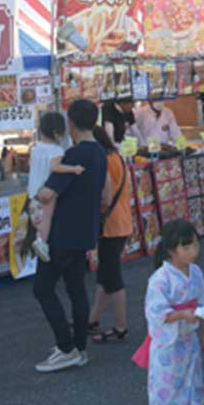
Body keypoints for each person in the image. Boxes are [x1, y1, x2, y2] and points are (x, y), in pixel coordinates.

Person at [31, 99, 107, 373]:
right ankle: (78, 347)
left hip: (62, 234)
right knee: (76, 289)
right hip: (85, 231)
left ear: (71, 123)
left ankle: (66, 347)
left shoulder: (74, 156)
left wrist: (38, 191)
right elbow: (105, 194)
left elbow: (48, 193)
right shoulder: (99, 152)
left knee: (43, 288)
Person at [142, 218, 204, 405]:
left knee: (193, 385)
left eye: (195, 245)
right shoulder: (160, 279)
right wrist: (182, 313)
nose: (193, 251)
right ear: (172, 250)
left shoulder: (196, 272)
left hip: (188, 339)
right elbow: (156, 312)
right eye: (187, 247)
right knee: (167, 390)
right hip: (168, 345)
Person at [88, 127, 135, 344]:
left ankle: (121, 326)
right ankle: (93, 319)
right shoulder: (116, 156)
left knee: (112, 276)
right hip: (122, 220)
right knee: (106, 274)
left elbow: (104, 194)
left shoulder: (103, 161)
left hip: (110, 224)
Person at [25, 111, 70, 263]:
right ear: (59, 133)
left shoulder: (35, 148)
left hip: (32, 194)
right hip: (45, 193)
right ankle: (41, 242)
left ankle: (40, 243)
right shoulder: (57, 151)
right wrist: (73, 168)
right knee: (47, 221)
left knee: (38, 223)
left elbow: (31, 166)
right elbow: (55, 167)